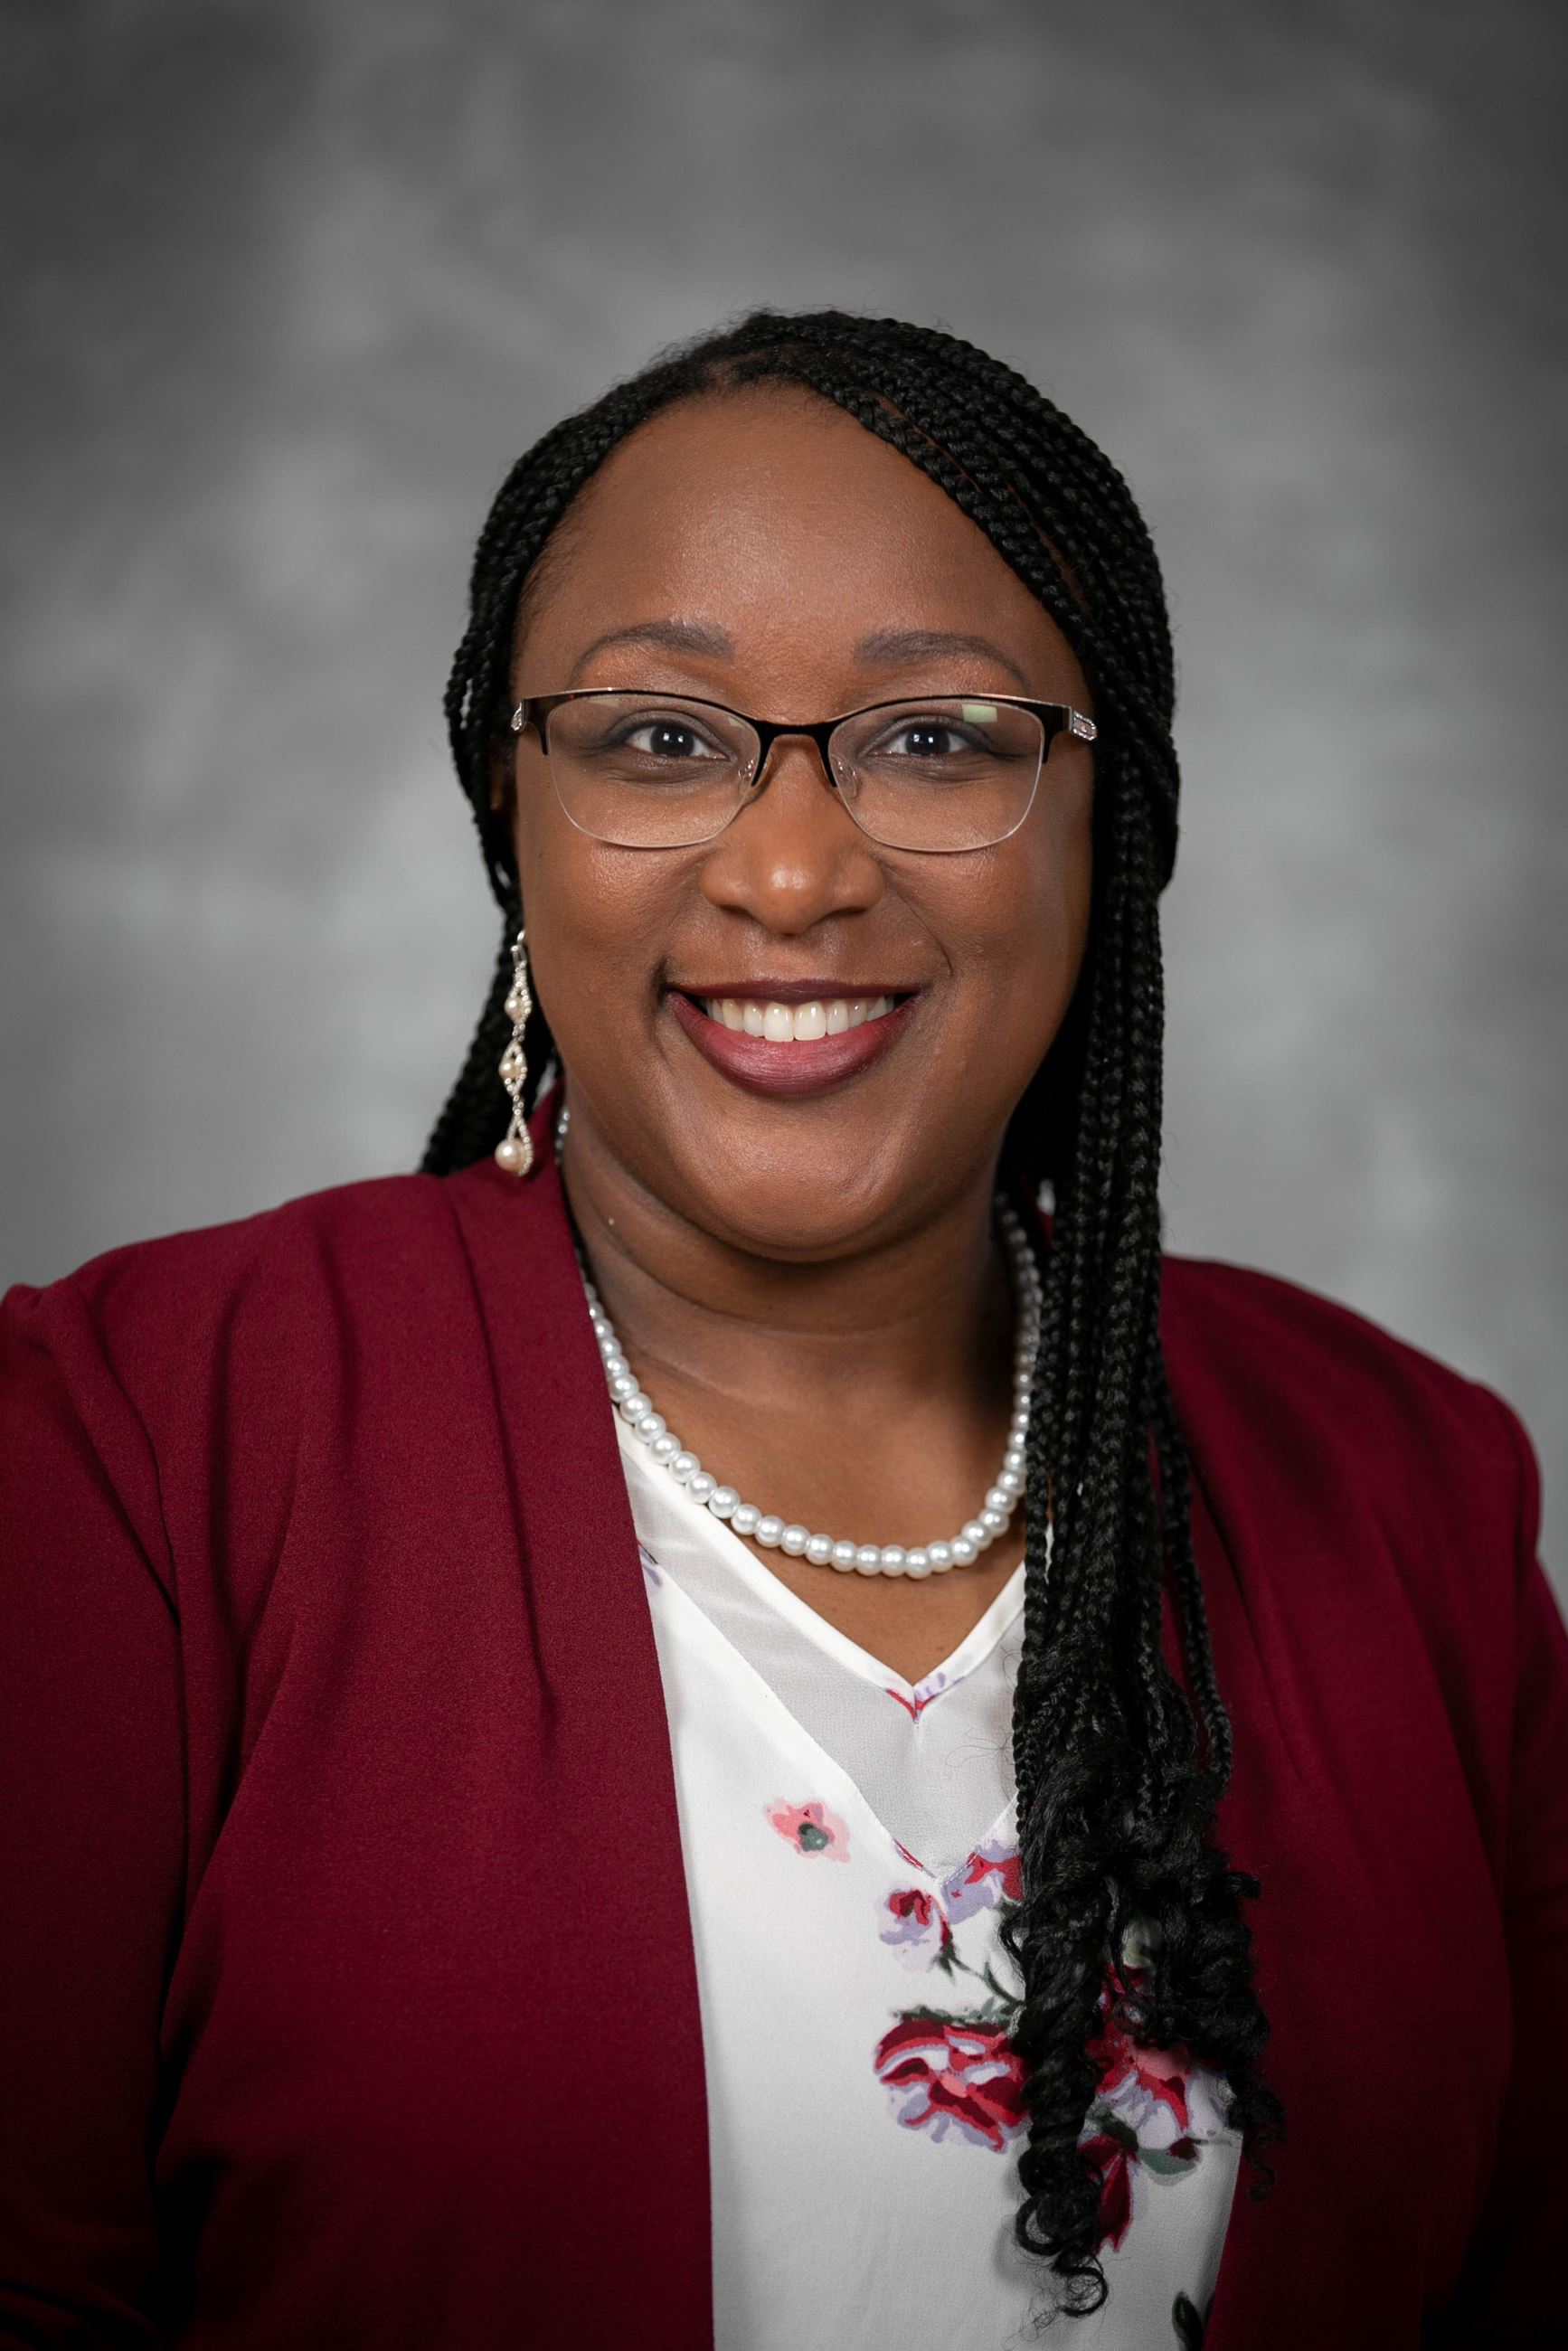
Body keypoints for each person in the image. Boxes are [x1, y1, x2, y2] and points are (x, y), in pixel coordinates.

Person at [2, 310, 1563, 2351]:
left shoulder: (1397, 1482)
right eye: (659, 736)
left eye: (940, 739)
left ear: (1113, 824)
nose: (799, 866)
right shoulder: (132, 1449)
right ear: (516, 816)